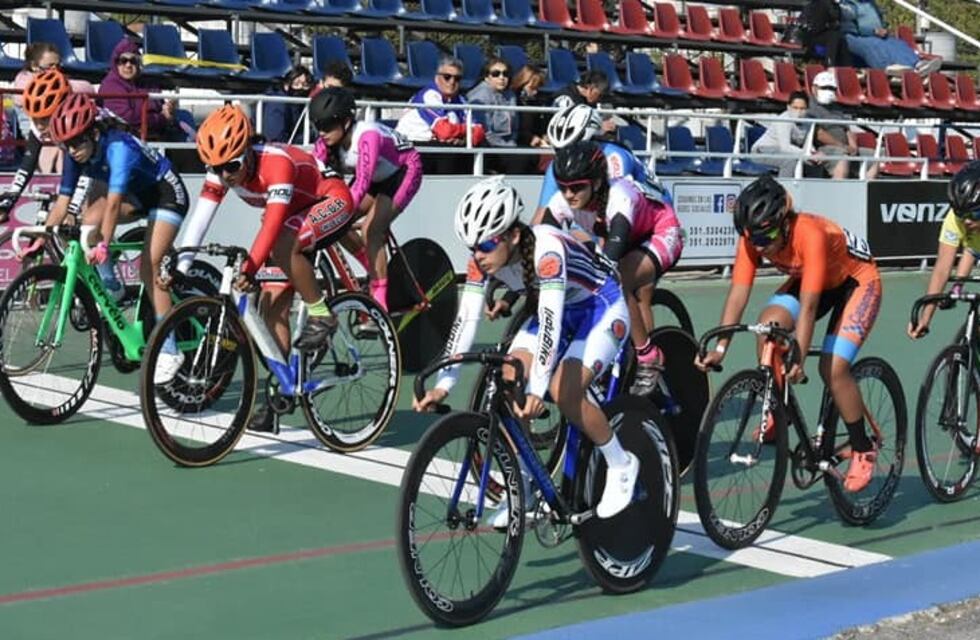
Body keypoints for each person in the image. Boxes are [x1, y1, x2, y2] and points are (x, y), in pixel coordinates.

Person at [413, 176, 639, 526]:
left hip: (600, 309)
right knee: (508, 376)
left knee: (562, 391)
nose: (479, 255)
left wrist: (537, 389)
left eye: (487, 244)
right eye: (472, 247)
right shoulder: (480, 260)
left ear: (514, 235)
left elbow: (550, 321)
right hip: (560, 311)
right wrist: (444, 384)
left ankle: (621, 463)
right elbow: (466, 319)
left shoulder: (547, 250)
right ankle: (525, 483)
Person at [695, 175, 882, 493]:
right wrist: (721, 347)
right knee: (767, 327)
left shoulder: (810, 234)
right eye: (752, 238)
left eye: (766, 237)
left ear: (784, 221)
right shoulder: (753, 238)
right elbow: (738, 294)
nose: (760, 246)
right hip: (812, 280)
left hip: (856, 282)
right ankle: (777, 410)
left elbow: (809, 307)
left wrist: (799, 358)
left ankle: (863, 447)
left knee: (832, 368)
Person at [183, 105, 356, 431]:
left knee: (283, 245)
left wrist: (249, 269)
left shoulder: (276, 164)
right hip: (294, 214)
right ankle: (280, 396)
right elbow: (199, 222)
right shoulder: (222, 169)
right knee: (272, 310)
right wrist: (181, 266)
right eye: (215, 168)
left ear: (247, 151)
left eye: (231, 166)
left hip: (330, 200)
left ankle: (322, 314)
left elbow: (273, 225)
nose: (225, 175)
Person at [42, 94, 190, 381]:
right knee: (89, 221)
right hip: (138, 195)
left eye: (77, 142)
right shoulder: (75, 152)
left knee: (149, 269)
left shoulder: (119, 147)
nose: (72, 150)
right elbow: (62, 204)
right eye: (66, 144)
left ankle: (171, 350)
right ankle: (113, 287)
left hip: (166, 194)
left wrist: (103, 245)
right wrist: (40, 237)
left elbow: (112, 204)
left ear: (94, 133)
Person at [545, 141, 683, 395]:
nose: (568, 194)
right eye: (563, 187)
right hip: (623, 235)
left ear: (597, 182)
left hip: (660, 231)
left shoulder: (620, 193)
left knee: (618, 281)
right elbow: (540, 240)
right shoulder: (562, 201)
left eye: (577, 187)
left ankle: (648, 356)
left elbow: (617, 238)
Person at [309, 87, 423, 312]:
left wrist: (336, 213)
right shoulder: (324, 142)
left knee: (371, 229)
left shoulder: (368, 137)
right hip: (377, 176)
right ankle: (373, 267)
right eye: (318, 125)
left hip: (404, 171)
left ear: (346, 122)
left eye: (328, 125)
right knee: (332, 224)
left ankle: (379, 299)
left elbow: (361, 184)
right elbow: (312, 178)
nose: (322, 132)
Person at [533, 104, 655, 223]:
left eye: (572, 149)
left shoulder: (614, 156)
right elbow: (541, 215)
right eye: (559, 151)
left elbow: (616, 208)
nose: (566, 156)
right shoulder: (557, 164)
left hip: (648, 220)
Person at [908, 162, 980, 339]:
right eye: (961, 214)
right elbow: (942, 269)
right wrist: (926, 318)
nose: (967, 221)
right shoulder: (955, 220)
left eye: (974, 215)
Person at [13, 42, 95, 173]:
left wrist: (62, 86)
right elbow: (33, 93)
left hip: (58, 133)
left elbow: (88, 87)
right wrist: (59, 88)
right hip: (38, 134)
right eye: (50, 66)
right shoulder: (23, 80)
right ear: (34, 66)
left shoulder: (61, 80)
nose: (55, 70)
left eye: (58, 65)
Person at [396, 57, 485, 174]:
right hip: (411, 145)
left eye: (457, 78)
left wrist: (464, 140)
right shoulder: (429, 95)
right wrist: (467, 130)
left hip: (439, 145)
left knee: (483, 147)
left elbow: (479, 131)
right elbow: (444, 131)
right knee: (448, 151)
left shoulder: (460, 100)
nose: (452, 82)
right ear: (437, 77)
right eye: (447, 77)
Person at [98, 38, 180, 141]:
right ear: (116, 63)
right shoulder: (110, 85)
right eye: (123, 61)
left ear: (138, 64)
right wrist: (162, 118)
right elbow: (128, 118)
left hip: (154, 131)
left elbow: (160, 106)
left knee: (184, 116)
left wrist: (168, 109)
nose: (128, 65)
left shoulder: (147, 83)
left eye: (133, 61)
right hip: (125, 138)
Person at [839, 0, 942, 75]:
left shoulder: (870, 4)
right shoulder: (846, 5)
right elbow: (848, 26)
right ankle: (889, 67)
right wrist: (873, 31)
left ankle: (918, 64)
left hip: (875, 35)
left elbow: (879, 20)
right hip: (853, 37)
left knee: (898, 44)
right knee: (874, 45)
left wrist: (884, 29)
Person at [808, 71, 878, 180]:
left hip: (844, 147)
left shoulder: (836, 107)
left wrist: (853, 146)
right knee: (842, 156)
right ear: (814, 88)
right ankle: (838, 188)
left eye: (832, 88)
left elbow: (847, 129)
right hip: (824, 148)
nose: (829, 91)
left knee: (874, 157)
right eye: (825, 88)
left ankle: (864, 188)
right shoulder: (809, 107)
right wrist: (842, 146)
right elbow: (818, 133)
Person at [466, 57, 520, 174]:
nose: (502, 77)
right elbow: (484, 132)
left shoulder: (511, 95)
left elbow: (515, 127)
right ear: (487, 77)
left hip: (508, 145)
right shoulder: (479, 97)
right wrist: (507, 147)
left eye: (505, 74)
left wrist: (512, 144)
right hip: (489, 146)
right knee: (520, 160)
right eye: (496, 74)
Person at [750, 91, 809, 178]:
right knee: (789, 161)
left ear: (807, 109)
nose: (799, 112)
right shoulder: (783, 120)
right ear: (788, 107)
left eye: (802, 108)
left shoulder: (809, 122)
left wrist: (814, 154)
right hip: (762, 151)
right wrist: (807, 154)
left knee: (817, 162)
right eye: (795, 108)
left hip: (787, 152)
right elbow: (785, 147)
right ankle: (784, 186)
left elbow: (808, 144)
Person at [551, 70, 617, 138]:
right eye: (599, 95)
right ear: (590, 89)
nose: (599, 99)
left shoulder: (587, 100)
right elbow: (565, 129)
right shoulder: (565, 99)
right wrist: (599, 127)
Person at [261, 65, 314, 144]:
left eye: (305, 85)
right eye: (296, 84)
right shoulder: (277, 102)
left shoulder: (300, 106)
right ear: (286, 85)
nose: (301, 88)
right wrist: (310, 136)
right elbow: (276, 139)